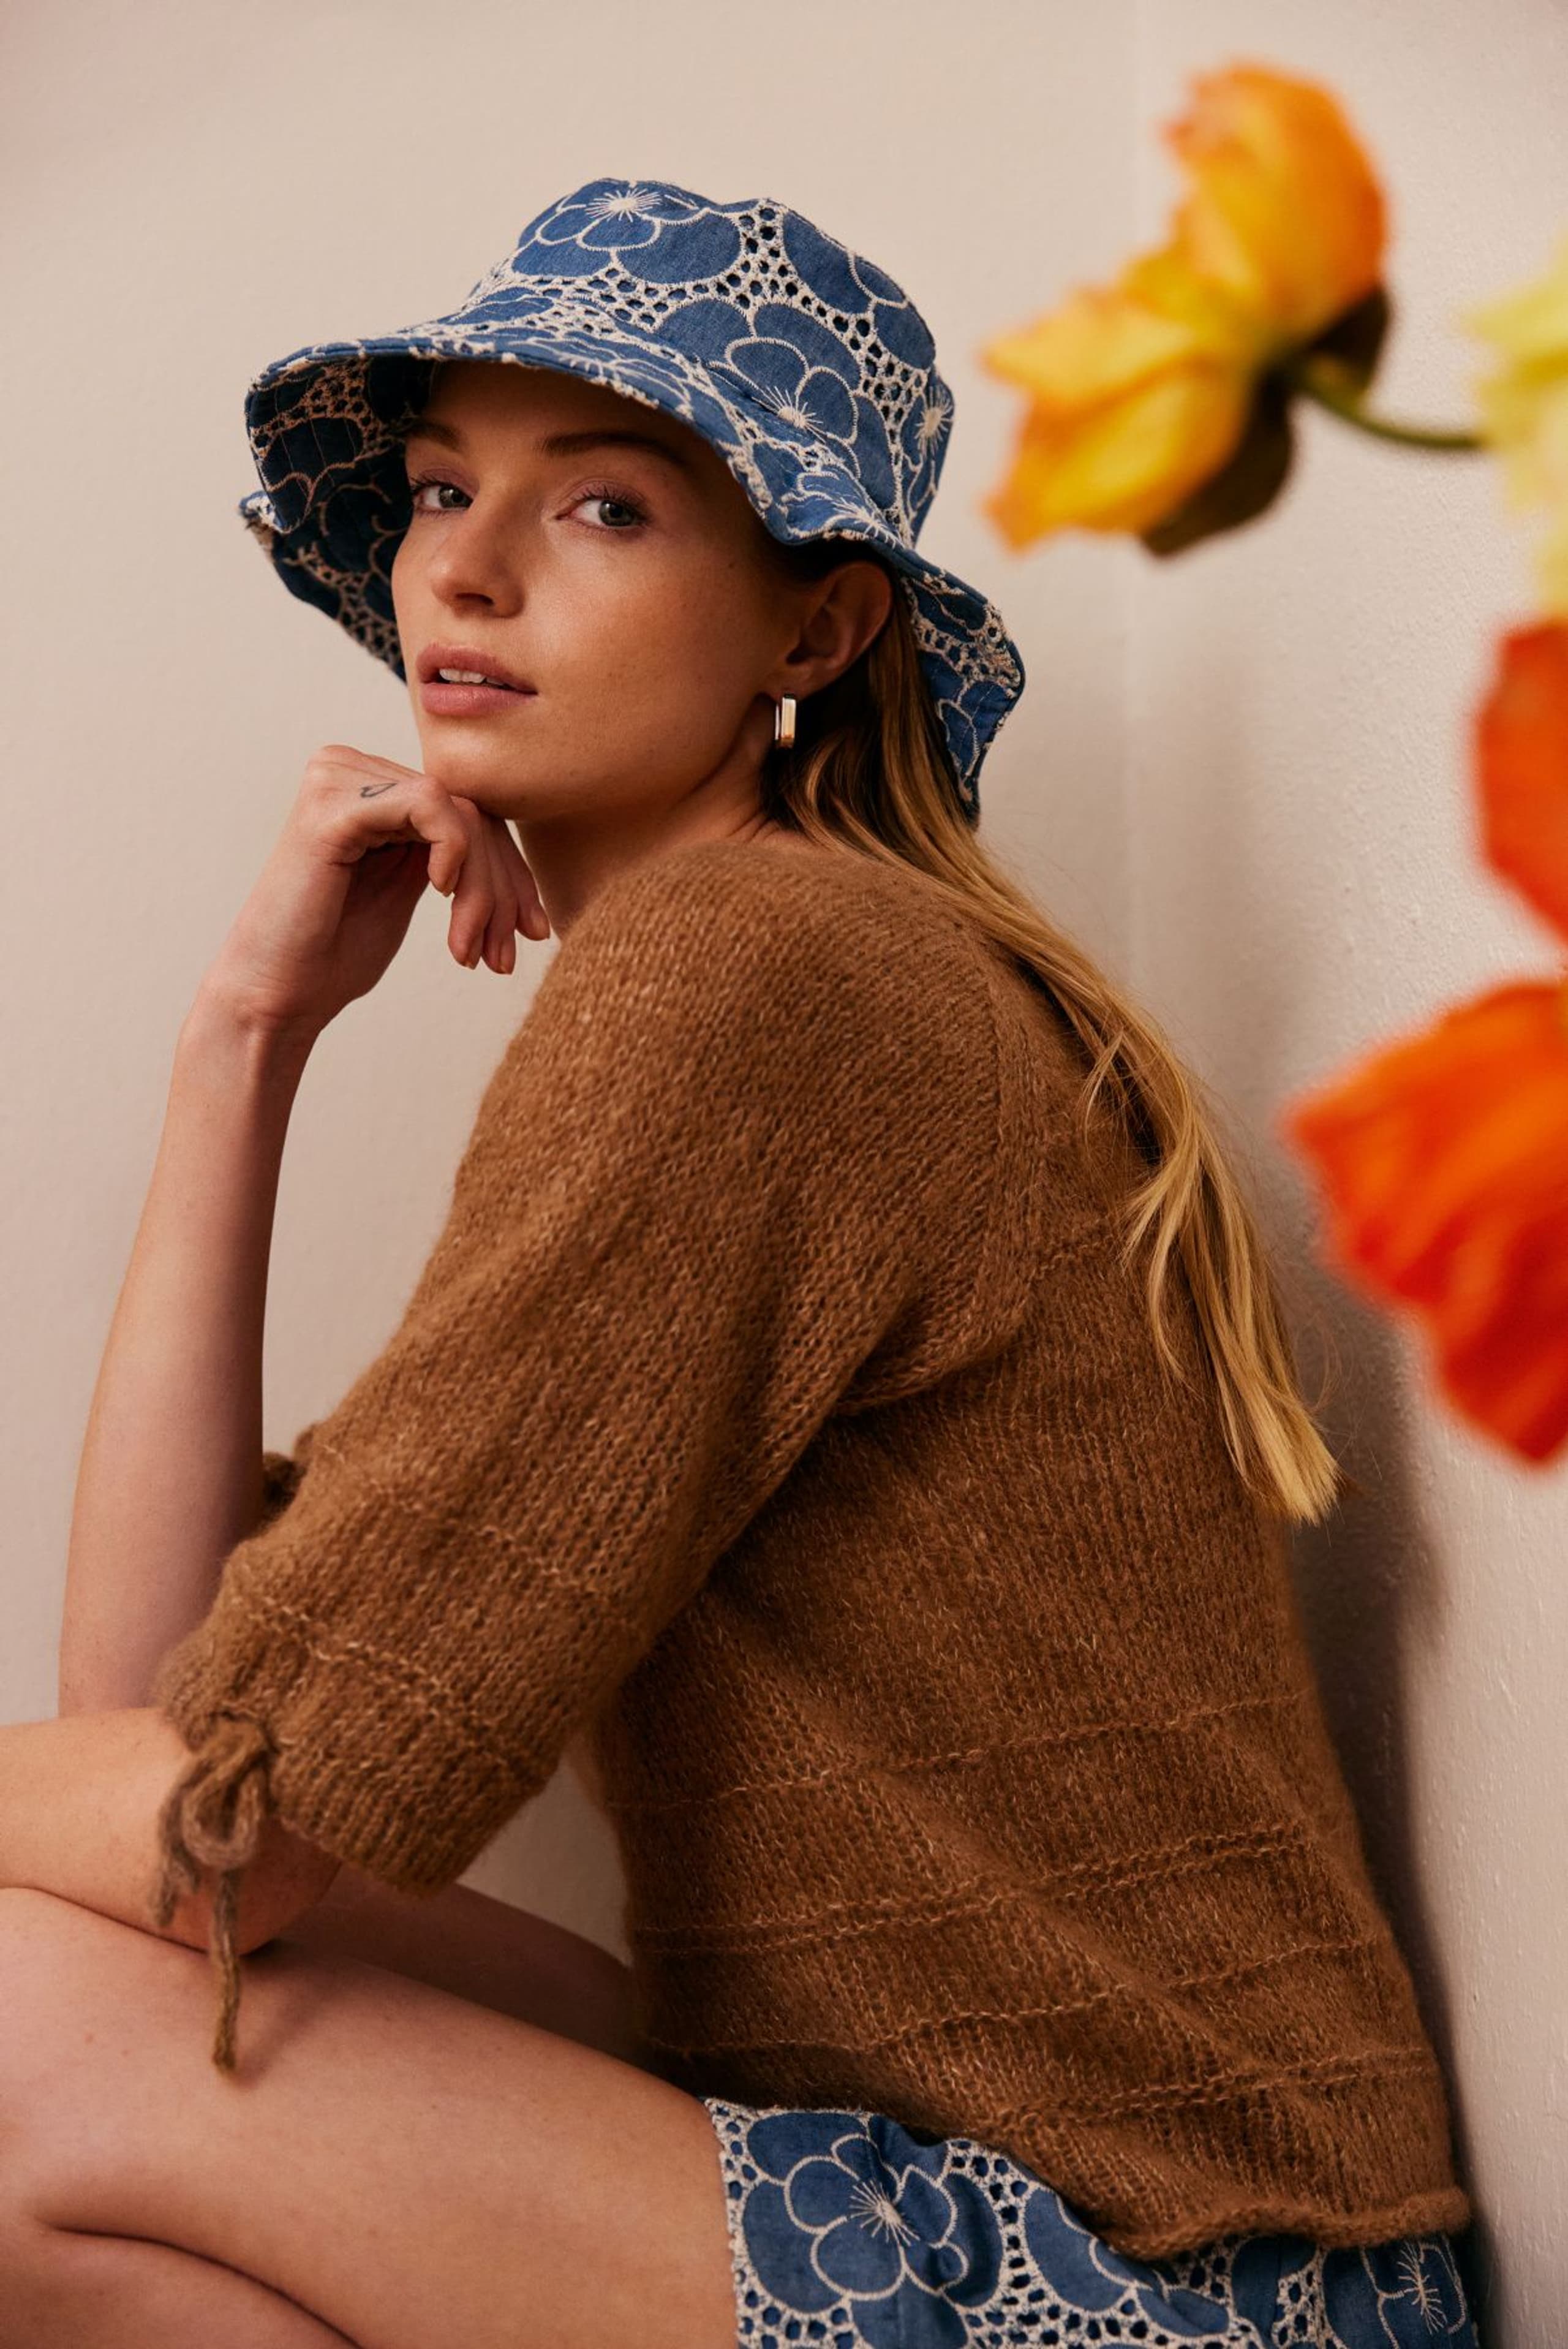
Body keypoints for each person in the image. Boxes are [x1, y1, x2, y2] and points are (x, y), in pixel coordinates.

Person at [4, 178, 1479, 2348]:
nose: (465, 568)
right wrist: (247, 1040)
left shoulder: (755, 973)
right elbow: (171, 1729)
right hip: (1119, 2220)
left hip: (1163, 2277)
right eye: (442, 489)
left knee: (31, 2022)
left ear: (818, 630)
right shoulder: (812, 958)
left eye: (605, 506)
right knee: (106, 1961)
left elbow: (240, 1822)